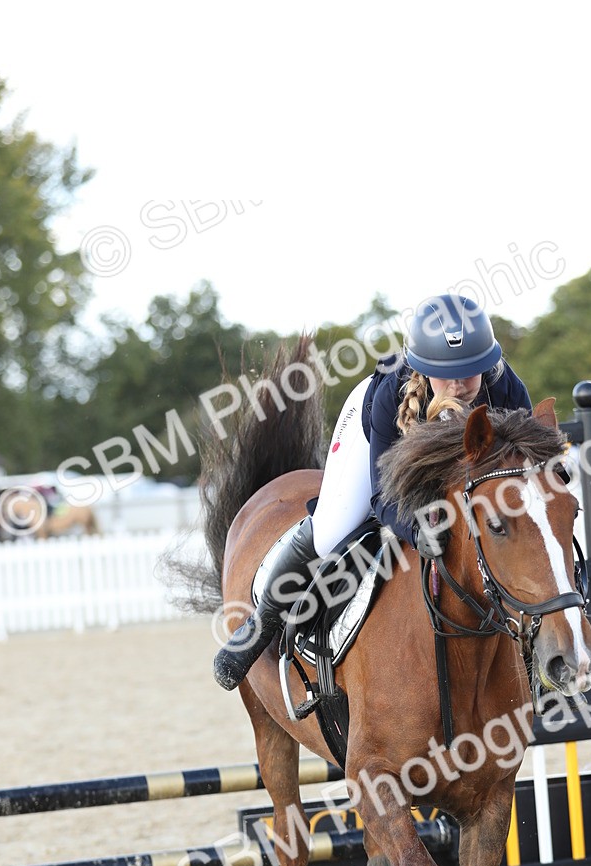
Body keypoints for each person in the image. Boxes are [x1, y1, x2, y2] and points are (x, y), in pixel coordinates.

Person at [213, 294, 532, 690]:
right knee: (330, 532)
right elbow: (383, 499)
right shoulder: (391, 397)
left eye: (470, 373)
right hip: (371, 434)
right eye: (445, 374)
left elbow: (528, 476)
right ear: (422, 369)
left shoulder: (507, 392)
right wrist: (416, 532)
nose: (458, 385)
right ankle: (260, 625)